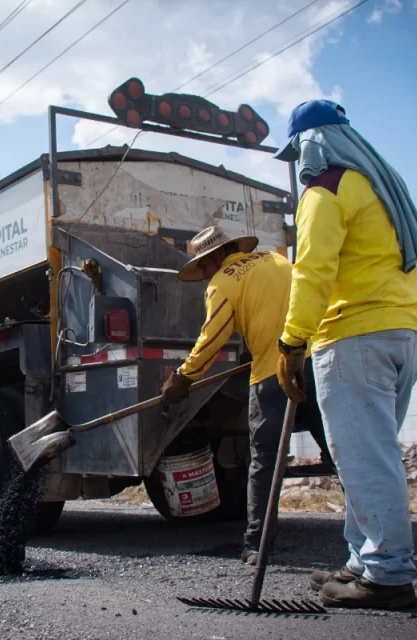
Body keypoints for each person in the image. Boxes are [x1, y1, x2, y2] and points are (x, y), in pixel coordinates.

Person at [273, 99, 417, 610]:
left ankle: (387, 575)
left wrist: (292, 342)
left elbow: (312, 271)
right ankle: (362, 560)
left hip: (354, 337)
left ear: (311, 145)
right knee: (364, 458)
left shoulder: (327, 190)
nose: (300, 165)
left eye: (298, 151)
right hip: (404, 333)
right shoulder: (383, 187)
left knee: (365, 460)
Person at [159, 224, 328, 566]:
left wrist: (182, 378)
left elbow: (213, 338)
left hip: (274, 374)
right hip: (317, 364)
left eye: (205, 265)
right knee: (341, 450)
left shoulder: (223, 282)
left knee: (264, 462)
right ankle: (374, 543)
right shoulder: (276, 261)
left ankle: (257, 545)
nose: (206, 274)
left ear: (220, 255)